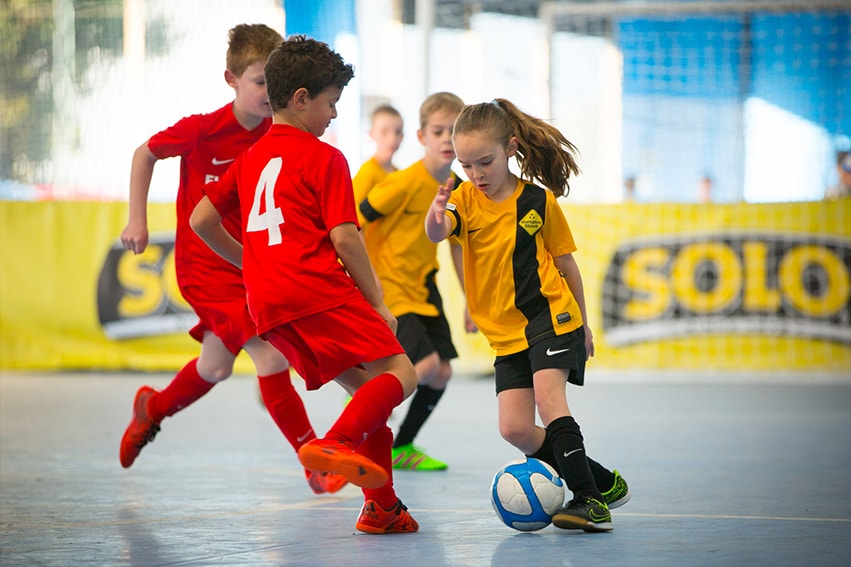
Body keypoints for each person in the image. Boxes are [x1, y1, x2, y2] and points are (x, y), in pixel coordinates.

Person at [190, 35, 420, 534]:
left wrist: (250, 262)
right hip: (317, 289)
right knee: (403, 373)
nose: (334, 116)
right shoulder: (325, 157)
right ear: (300, 99)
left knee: (367, 394)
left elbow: (200, 220)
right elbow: (345, 237)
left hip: (268, 304)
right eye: (331, 103)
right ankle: (333, 442)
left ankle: (383, 509)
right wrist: (377, 303)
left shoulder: (250, 159)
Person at [117, 24, 347, 495]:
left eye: (273, 83)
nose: (267, 93)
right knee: (269, 352)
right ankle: (312, 462)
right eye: (259, 82)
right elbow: (145, 154)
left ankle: (153, 409)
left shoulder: (277, 133)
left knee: (215, 368)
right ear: (231, 79)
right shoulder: (203, 130)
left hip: (252, 268)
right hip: (206, 270)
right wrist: (136, 218)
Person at [425, 98, 630, 532]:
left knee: (549, 400)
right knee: (515, 429)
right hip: (506, 334)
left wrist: (585, 323)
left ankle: (590, 501)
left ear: (511, 148)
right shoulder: (462, 199)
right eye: (466, 165)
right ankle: (603, 480)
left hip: (551, 317)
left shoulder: (539, 202)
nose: (476, 174)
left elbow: (566, 265)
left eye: (485, 162)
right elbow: (439, 230)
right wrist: (434, 213)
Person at [357, 92, 465, 471]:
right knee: (429, 363)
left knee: (444, 371)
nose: (447, 139)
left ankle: (401, 447)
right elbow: (354, 220)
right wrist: (361, 278)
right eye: (439, 131)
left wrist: (470, 298)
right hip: (391, 285)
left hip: (424, 285)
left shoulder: (456, 186)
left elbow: (457, 245)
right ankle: (361, 414)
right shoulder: (402, 182)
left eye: (455, 131)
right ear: (422, 137)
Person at [352, 104, 405, 220]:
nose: (392, 138)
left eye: (397, 132)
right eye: (384, 131)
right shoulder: (367, 172)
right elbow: (352, 216)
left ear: (402, 136)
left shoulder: (399, 175)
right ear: (371, 134)